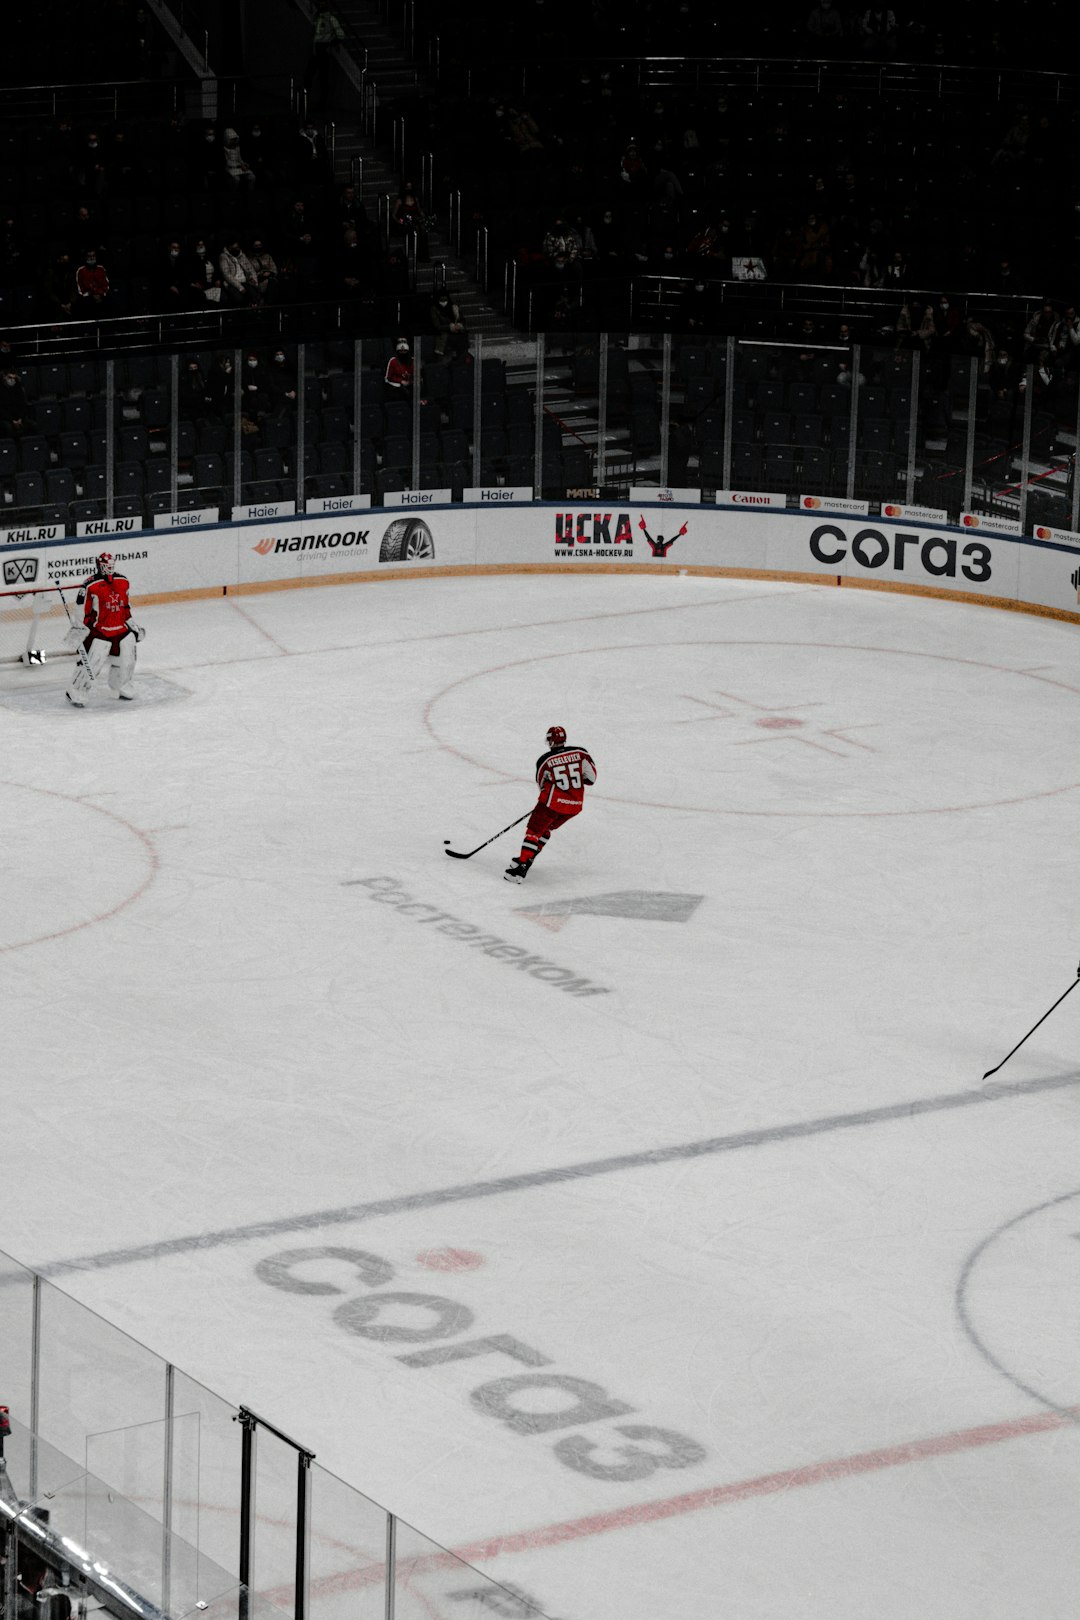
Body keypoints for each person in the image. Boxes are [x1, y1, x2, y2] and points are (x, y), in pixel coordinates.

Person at [504, 725, 597, 883]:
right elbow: (591, 779)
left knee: (534, 830)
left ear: (551, 741)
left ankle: (521, 869)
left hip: (551, 804)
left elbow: (541, 785)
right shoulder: (581, 753)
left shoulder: (545, 760)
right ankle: (526, 858)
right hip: (574, 806)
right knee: (546, 829)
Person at [65, 554, 145, 707]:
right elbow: (81, 612)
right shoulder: (89, 585)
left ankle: (122, 685)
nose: (109, 568)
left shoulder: (123, 581)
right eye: (106, 565)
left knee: (129, 657)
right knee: (93, 662)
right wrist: (79, 631)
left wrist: (133, 625)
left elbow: (125, 607)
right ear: (99, 565)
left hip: (121, 628)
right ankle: (76, 690)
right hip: (100, 630)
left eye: (111, 564)